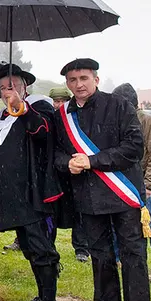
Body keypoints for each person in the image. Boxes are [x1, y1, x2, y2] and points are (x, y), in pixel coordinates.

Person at [54, 59, 151, 301]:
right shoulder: (63, 115)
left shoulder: (119, 106)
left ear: (96, 79)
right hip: (89, 198)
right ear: (68, 84)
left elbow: (134, 148)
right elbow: (56, 153)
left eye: (84, 78)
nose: (78, 84)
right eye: (72, 80)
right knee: (100, 257)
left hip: (123, 196)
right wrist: (67, 164)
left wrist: (93, 161)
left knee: (133, 259)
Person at [0, 64, 61, 301]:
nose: (8, 91)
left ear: (25, 87)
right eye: (3, 88)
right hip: (11, 196)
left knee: (43, 250)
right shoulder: (0, 118)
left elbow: (43, 133)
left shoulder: (40, 108)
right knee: (28, 249)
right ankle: (42, 297)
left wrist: (22, 108)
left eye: (13, 86)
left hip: (34, 194)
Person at [112, 83, 151, 281]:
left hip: (143, 182)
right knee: (118, 222)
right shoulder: (119, 120)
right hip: (122, 180)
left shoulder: (147, 121)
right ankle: (118, 260)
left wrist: (149, 184)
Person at [49, 86, 91, 263]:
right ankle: (48, 246)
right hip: (54, 172)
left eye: (62, 101)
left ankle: (81, 248)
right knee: (51, 211)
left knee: (79, 210)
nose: (59, 104)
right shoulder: (49, 119)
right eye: (56, 101)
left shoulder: (77, 119)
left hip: (76, 172)